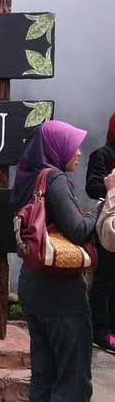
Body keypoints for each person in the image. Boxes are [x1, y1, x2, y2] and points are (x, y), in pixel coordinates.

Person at [10, 120, 98, 402]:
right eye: (74, 144)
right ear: (57, 148)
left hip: (32, 285)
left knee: (44, 378)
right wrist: (102, 207)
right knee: (72, 383)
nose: (79, 151)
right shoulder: (56, 178)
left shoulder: (27, 177)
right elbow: (77, 229)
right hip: (61, 294)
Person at [85, 111, 115, 353]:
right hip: (107, 225)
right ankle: (101, 330)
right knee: (105, 279)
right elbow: (92, 187)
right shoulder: (103, 155)